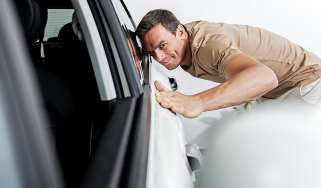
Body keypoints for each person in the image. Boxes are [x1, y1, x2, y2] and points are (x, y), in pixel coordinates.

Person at [135, 9, 321, 118]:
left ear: (181, 32)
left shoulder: (208, 45)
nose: (158, 57)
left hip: (308, 86)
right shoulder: (184, 46)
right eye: (151, 52)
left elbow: (265, 78)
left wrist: (197, 102)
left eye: (162, 46)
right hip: (280, 93)